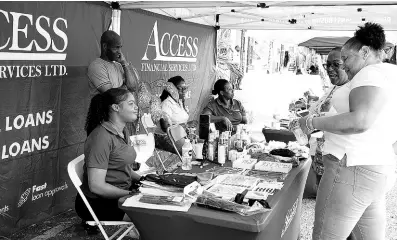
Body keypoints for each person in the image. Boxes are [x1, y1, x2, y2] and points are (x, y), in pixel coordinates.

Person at [297, 22, 397, 240]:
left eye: (346, 59)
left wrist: (313, 122)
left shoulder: (369, 73)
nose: (344, 65)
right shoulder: (392, 74)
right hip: (378, 167)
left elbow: (360, 120)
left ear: (364, 52)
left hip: (349, 167)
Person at [75, 88, 142, 230]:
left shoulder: (123, 131)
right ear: (116, 107)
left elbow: (121, 167)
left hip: (121, 193)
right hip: (99, 203)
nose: (136, 107)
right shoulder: (101, 137)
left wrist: (144, 180)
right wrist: (131, 194)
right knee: (154, 216)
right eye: (131, 104)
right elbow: (97, 186)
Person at [303, 47, 349, 199]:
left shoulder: (350, 92)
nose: (330, 69)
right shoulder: (333, 87)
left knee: (331, 204)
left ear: (347, 64)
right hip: (321, 153)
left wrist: (316, 118)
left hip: (337, 159)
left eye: (336, 64)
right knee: (323, 199)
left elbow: (345, 124)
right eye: (327, 64)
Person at [153, 76, 191, 155]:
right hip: (167, 136)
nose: (184, 91)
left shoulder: (179, 102)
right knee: (188, 151)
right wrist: (184, 126)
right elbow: (165, 128)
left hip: (180, 134)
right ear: (171, 90)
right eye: (181, 88)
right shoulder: (166, 104)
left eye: (185, 88)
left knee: (199, 146)